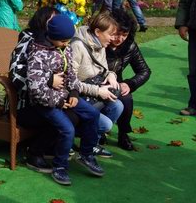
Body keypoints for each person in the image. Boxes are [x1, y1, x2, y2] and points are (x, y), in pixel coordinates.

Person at [23, 14, 105, 186]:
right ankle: (60, 166)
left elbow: (71, 75)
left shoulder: (64, 47)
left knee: (92, 114)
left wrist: (74, 92)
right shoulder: (38, 52)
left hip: (65, 96)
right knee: (67, 129)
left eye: (68, 40)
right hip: (45, 103)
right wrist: (59, 101)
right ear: (52, 37)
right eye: (63, 41)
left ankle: (86, 154)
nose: (67, 44)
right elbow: (36, 88)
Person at [71, 11, 123, 158]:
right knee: (106, 124)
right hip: (79, 96)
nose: (113, 38)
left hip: (93, 94)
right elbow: (71, 82)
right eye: (111, 34)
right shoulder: (77, 46)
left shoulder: (101, 44)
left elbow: (104, 69)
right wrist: (98, 91)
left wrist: (111, 76)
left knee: (118, 105)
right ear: (98, 32)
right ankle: (83, 139)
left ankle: (92, 142)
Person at [106, 9, 151, 150]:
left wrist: (129, 84)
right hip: (93, 82)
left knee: (126, 97)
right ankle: (98, 131)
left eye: (124, 35)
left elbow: (144, 70)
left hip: (116, 84)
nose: (119, 39)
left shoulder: (130, 46)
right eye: (116, 34)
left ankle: (123, 133)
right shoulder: (100, 43)